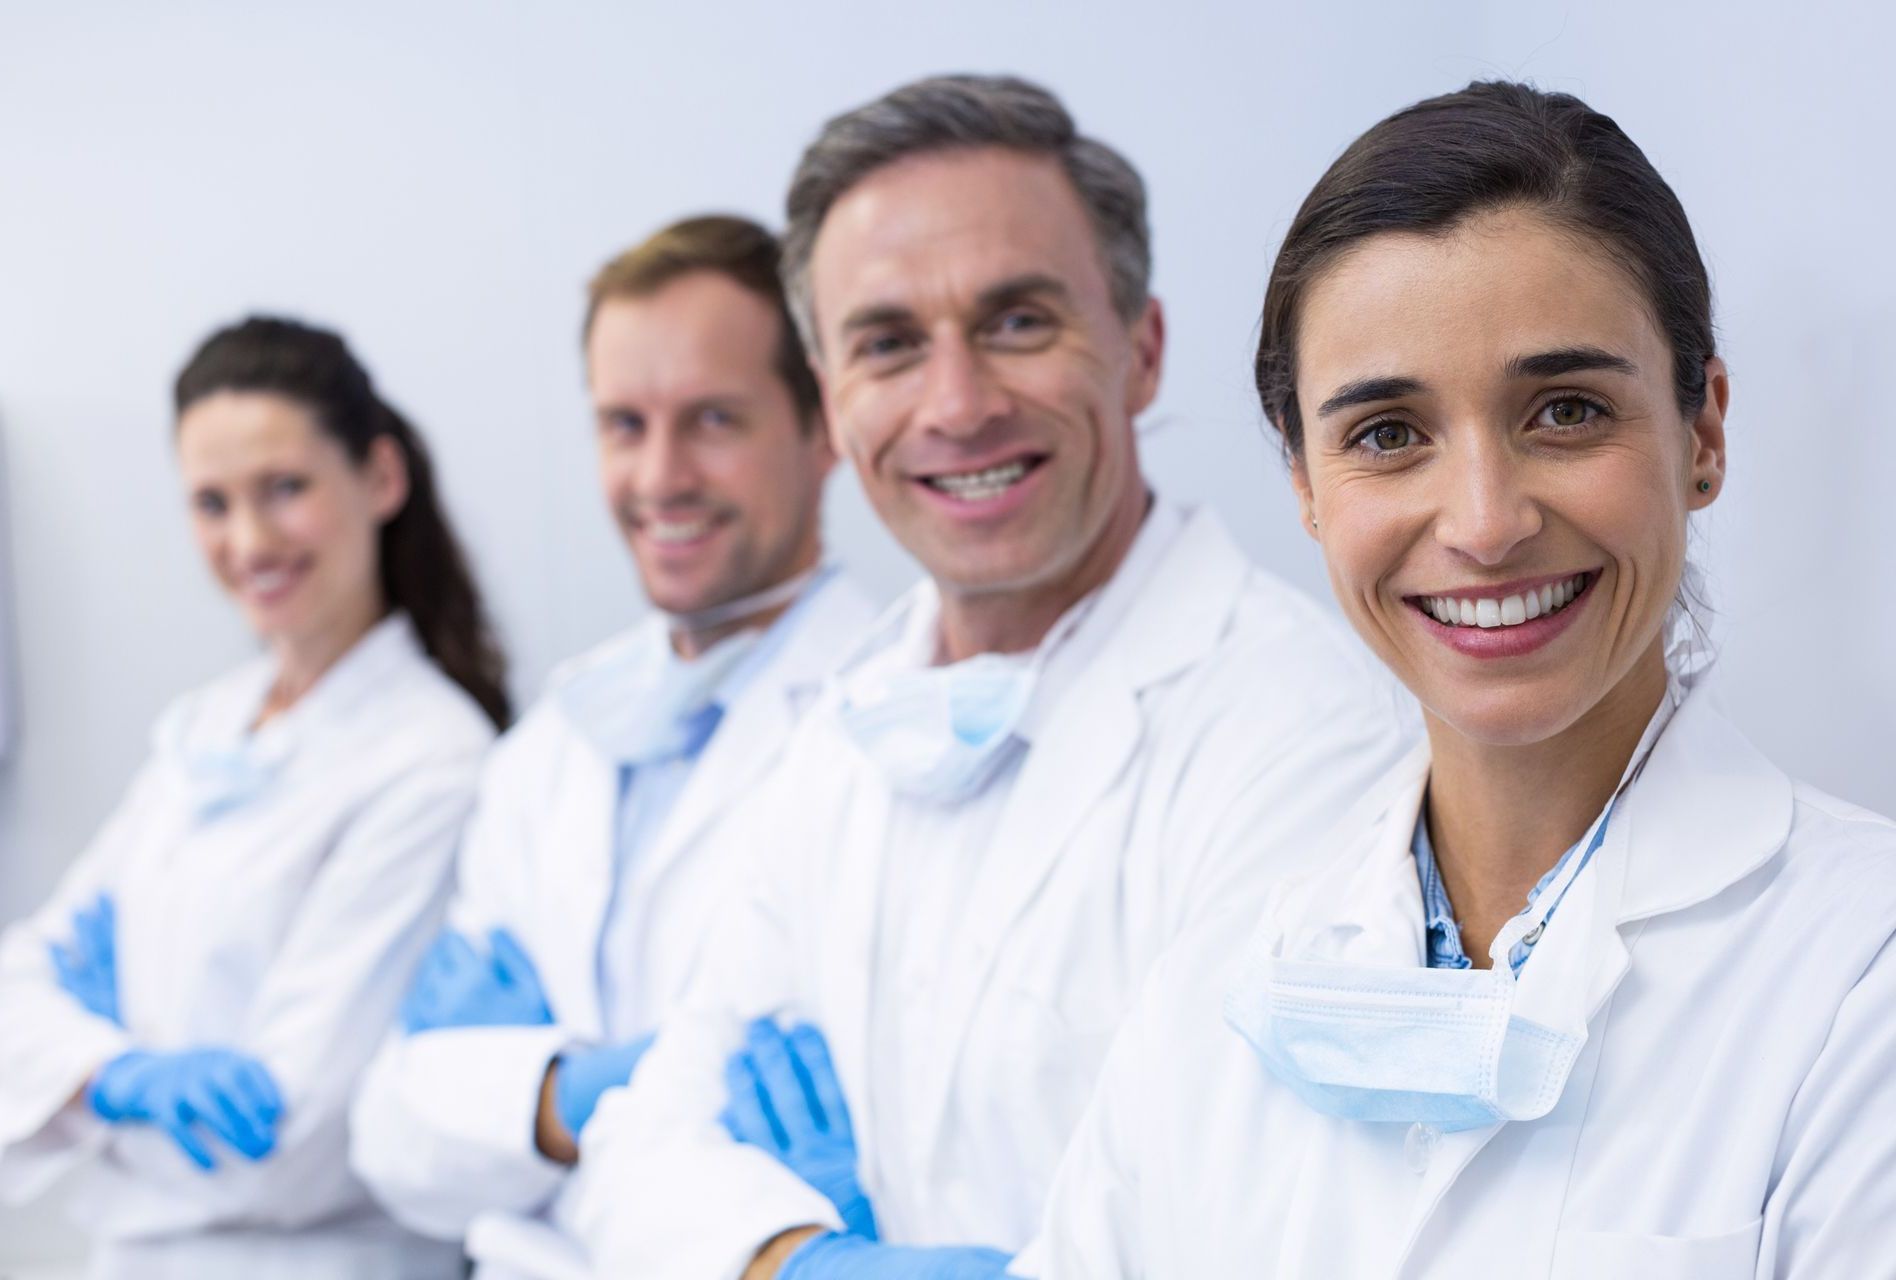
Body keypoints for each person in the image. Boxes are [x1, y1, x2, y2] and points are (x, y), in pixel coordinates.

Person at [1020, 80, 1896, 1278]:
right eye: (1387, 433)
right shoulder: (1215, 985)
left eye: (1567, 410)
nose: (1485, 523)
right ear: (1307, 488)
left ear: (1704, 434)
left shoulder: (1862, 974)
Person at [564, 75, 1416, 1279]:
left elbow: (1269, 1234)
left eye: (1018, 321)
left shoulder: (1309, 734)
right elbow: (642, 1153)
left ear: (1142, 350)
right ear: (832, 397)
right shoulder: (847, 726)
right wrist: (794, 1257)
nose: (956, 405)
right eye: (889, 344)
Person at [348, 215, 876, 1279]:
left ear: (824, 424)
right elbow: (391, 1141)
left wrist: (508, 1093)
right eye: (623, 424)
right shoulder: (552, 743)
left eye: (713, 419)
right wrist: (568, 1094)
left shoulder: (884, 724)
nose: (659, 474)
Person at [0, 317, 507, 1279]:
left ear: (380, 478)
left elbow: (289, 1151)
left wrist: (70, 1076)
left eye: (285, 489)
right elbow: (12, 980)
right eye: (211, 502)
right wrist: (115, 1078)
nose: (249, 540)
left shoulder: (435, 761)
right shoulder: (207, 730)